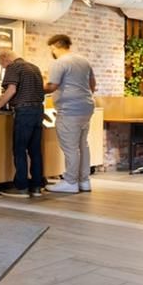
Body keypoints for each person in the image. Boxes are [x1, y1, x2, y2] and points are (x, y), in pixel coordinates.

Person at [43, 34, 96, 193]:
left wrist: (35, 87)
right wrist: (81, 96)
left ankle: (71, 182)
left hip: (69, 109)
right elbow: (92, 84)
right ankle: (84, 181)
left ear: (55, 46)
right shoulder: (84, 61)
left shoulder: (60, 62)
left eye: (51, 49)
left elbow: (52, 86)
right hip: (86, 107)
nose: (51, 52)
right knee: (82, 145)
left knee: (70, 147)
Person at [0, 49, 45, 198]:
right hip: (39, 110)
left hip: (24, 112)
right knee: (35, 150)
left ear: (5, 58)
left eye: (2, 64)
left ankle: (21, 187)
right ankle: (36, 187)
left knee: (19, 149)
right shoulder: (34, 67)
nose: (3, 67)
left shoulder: (13, 67)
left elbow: (11, 90)